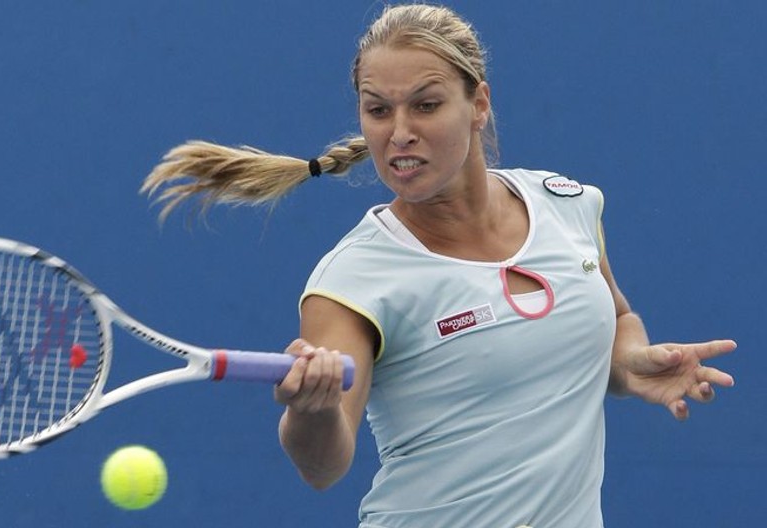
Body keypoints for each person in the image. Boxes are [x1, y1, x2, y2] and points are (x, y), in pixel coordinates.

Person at [142, 3, 736, 527]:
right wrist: (311, 410)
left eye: (426, 106)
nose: (400, 133)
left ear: (478, 103)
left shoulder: (569, 206)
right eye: (378, 111)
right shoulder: (354, 278)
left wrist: (630, 362)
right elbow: (322, 467)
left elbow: (615, 317)